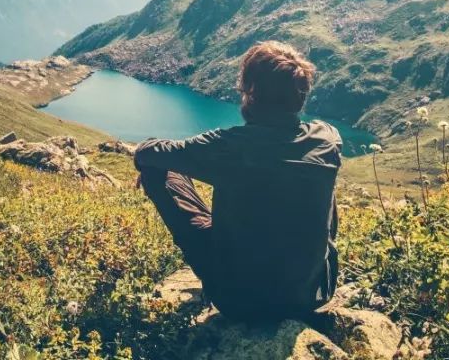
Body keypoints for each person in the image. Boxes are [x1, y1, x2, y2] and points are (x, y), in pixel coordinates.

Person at [133, 41, 341, 321]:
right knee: (317, 177)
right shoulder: (327, 138)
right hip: (313, 294)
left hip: (241, 301)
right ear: (300, 97)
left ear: (251, 93)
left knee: (161, 168)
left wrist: (149, 166)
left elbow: (147, 152)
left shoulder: (229, 147)